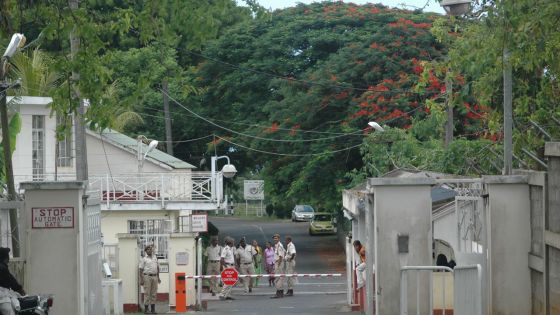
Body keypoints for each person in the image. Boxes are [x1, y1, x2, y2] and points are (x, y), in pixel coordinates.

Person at [0, 248, 25, 315]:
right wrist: (19, 289)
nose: (8, 258)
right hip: (2, 296)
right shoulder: (2, 268)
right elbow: (11, 281)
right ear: (4, 257)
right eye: (7, 256)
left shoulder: (3, 267)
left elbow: (11, 279)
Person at [139, 245, 160, 314]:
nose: (149, 250)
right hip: (147, 277)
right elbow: (141, 269)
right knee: (147, 293)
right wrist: (141, 279)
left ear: (152, 250)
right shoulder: (144, 259)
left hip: (155, 277)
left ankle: (153, 309)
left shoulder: (155, 258)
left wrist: (158, 277)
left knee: (153, 293)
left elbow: (157, 268)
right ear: (145, 251)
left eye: (150, 249)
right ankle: (146, 309)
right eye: (148, 249)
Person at [270, 234, 286, 299]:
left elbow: (280, 257)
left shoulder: (279, 245)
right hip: (277, 262)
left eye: (276, 238)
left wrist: (278, 265)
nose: (275, 239)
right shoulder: (276, 245)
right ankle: (281, 292)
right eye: (274, 238)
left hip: (279, 262)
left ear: (279, 239)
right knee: (279, 278)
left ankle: (278, 292)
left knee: (278, 278)